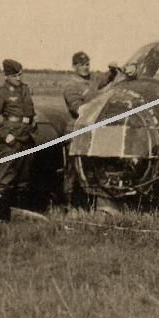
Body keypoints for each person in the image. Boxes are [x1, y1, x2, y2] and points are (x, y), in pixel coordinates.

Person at [0, 58, 36, 222]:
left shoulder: (25, 90)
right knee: (5, 181)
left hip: (26, 139)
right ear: (7, 76)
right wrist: (5, 136)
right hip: (11, 143)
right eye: (15, 76)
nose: (19, 78)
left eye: (20, 75)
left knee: (23, 182)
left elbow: (30, 114)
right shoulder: (1, 93)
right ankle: (0, 219)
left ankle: (20, 218)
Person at [61, 51, 98, 209]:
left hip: (91, 132)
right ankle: (69, 205)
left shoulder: (93, 82)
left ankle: (88, 204)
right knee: (74, 170)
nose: (85, 67)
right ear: (74, 66)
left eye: (87, 64)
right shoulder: (71, 86)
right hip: (76, 131)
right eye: (81, 65)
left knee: (90, 169)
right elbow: (77, 107)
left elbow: (106, 83)